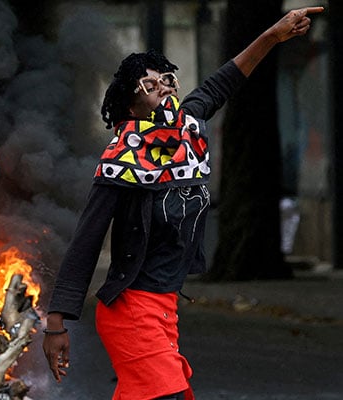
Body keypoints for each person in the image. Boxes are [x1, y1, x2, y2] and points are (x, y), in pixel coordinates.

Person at [42, 6, 324, 400]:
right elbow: (85, 243)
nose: (165, 88)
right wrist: (57, 322)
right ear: (131, 107)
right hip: (130, 311)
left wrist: (273, 35)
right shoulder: (120, 161)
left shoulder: (187, 130)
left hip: (165, 310)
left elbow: (225, 81)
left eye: (167, 80)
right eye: (150, 85)